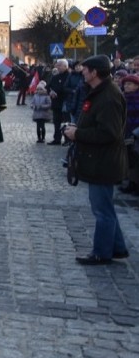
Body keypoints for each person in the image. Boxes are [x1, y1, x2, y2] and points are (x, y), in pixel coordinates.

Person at [63, 55, 130, 265]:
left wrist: (78, 134)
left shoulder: (108, 97)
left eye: (85, 69)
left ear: (95, 72)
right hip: (98, 160)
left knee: (102, 210)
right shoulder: (100, 92)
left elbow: (109, 133)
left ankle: (101, 252)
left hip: (104, 162)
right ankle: (117, 247)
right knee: (104, 207)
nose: (82, 72)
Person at [46, 58, 70, 145]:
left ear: (65, 66)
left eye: (59, 65)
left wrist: (57, 93)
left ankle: (68, 139)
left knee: (66, 123)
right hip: (56, 103)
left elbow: (66, 88)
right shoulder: (55, 77)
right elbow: (48, 86)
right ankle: (57, 139)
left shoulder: (69, 76)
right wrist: (50, 92)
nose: (58, 67)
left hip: (65, 102)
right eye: (57, 65)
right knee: (56, 122)